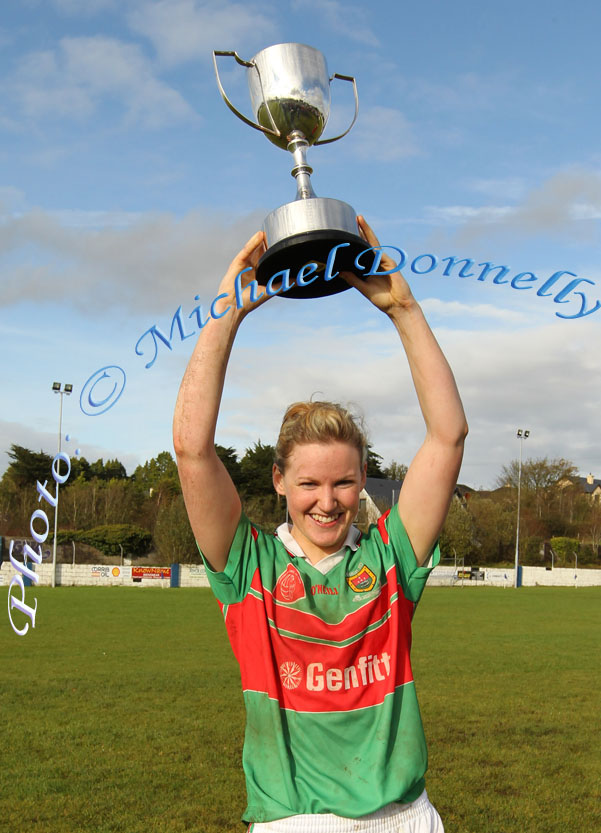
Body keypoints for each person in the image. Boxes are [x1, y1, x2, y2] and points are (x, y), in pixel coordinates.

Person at [173, 217, 468, 832]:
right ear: (279, 481)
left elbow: (448, 435)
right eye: (308, 483)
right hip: (298, 822)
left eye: (344, 482)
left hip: (406, 817)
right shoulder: (250, 566)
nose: (328, 502)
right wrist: (227, 314)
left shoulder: (389, 557)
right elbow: (192, 450)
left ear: (364, 480)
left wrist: (405, 311)